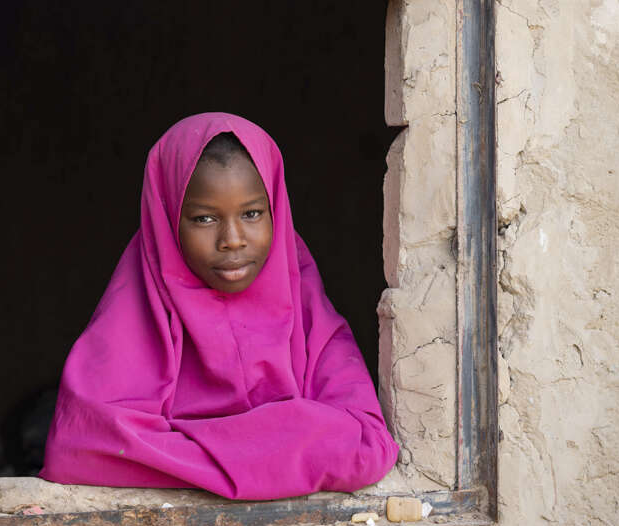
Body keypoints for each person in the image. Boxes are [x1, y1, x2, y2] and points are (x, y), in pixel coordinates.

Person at [39, 113, 398, 500]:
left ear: (277, 206)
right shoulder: (134, 311)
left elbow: (367, 443)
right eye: (204, 218)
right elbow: (82, 449)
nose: (232, 239)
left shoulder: (307, 308)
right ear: (166, 218)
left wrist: (178, 447)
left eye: (252, 214)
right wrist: (294, 437)